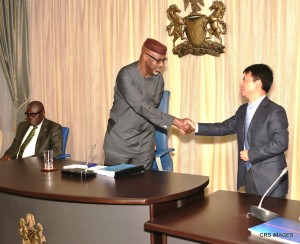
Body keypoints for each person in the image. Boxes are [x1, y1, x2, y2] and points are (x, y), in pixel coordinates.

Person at [190, 64, 288, 198]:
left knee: (272, 219)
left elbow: (280, 143)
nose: (240, 84)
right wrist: (195, 126)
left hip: (270, 181)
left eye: (245, 79)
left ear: (258, 83)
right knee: (251, 217)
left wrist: (252, 154)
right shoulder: (243, 110)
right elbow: (223, 127)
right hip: (248, 176)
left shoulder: (275, 111)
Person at [103, 38, 194, 169]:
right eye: (158, 60)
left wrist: (152, 140)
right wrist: (176, 121)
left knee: (143, 186)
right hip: (120, 141)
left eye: (163, 60)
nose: (161, 65)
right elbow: (142, 107)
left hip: (145, 143)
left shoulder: (158, 78)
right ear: (145, 56)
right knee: (116, 186)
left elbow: (153, 109)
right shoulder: (126, 75)